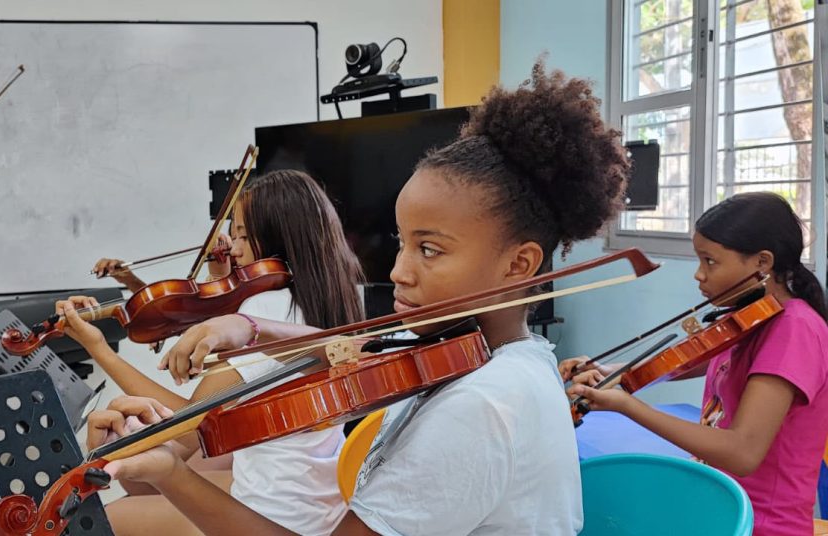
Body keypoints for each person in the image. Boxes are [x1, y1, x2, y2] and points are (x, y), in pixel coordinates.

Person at [86, 60, 630, 535]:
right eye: (402, 243)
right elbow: (360, 350)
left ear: (519, 265)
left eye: (431, 250)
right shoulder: (501, 354)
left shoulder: (478, 407)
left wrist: (170, 473)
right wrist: (251, 330)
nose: (399, 272)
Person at [61, 169, 364, 535]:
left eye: (243, 235)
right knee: (161, 484)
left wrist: (99, 349)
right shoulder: (334, 301)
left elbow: (189, 429)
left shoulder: (263, 313)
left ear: (278, 239)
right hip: (319, 495)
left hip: (276, 509)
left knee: (88, 521)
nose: (234, 247)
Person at [566, 192, 828, 536]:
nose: (699, 275)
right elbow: (674, 364)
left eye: (710, 261)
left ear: (762, 262)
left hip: (759, 524)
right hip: (714, 498)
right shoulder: (747, 319)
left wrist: (629, 407)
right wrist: (603, 370)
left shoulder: (794, 330)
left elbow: (742, 452)